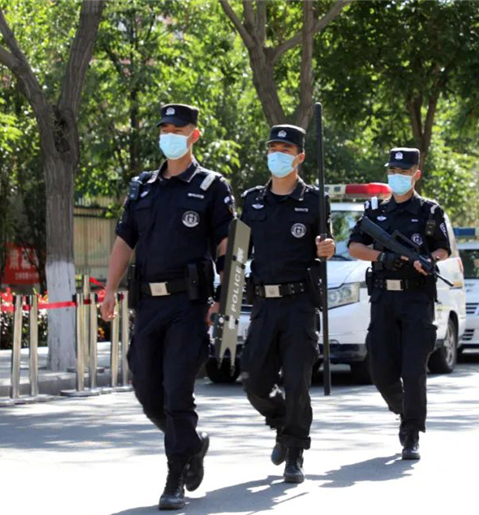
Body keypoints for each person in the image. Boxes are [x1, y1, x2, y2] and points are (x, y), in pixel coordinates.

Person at [100, 103, 235, 510]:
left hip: (188, 306)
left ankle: (175, 477)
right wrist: (109, 289)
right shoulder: (143, 187)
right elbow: (124, 241)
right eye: (164, 128)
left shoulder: (211, 186)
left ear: (195, 134)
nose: (169, 135)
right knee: (146, 389)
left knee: (177, 391)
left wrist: (224, 298)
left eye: (177, 128)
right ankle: (190, 443)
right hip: (148, 305)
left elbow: (227, 246)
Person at [239, 124, 335, 483]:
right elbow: (238, 252)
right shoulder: (252, 200)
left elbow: (325, 245)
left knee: (297, 382)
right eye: (273, 148)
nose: (277, 155)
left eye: (285, 149)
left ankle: (295, 452)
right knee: (252, 380)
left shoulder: (314, 201)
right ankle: (282, 420)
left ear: (300, 157)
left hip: (299, 306)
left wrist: (327, 248)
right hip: (264, 305)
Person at [347, 147, 450, 460]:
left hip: (417, 298)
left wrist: (430, 260)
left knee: (413, 368)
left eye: (404, 172)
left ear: (416, 174)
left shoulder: (430, 212)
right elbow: (354, 246)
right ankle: (405, 408)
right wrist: (383, 257)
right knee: (380, 368)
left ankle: (411, 432)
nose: (397, 176)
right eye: (393, 171)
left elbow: (443, 248)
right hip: (383, 298)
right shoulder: (375, 212)